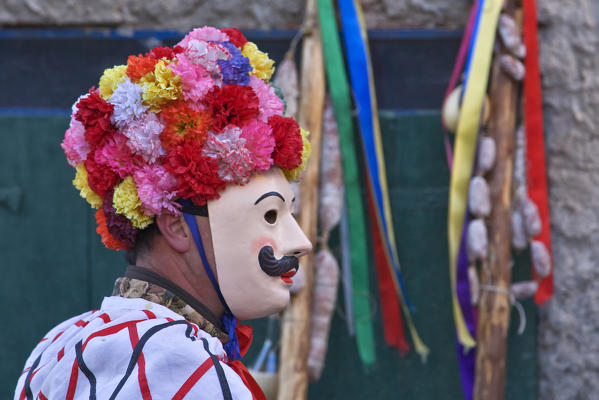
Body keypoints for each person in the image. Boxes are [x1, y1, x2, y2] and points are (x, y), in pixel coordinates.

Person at [14, 26, 312, 399]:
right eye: (270, 215)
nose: (301, 243)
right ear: (176, 225)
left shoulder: (57, 345)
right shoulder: (188, 370)